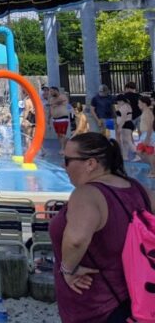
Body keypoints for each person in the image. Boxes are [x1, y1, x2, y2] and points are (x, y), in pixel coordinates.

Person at [52, 132, 151, 323]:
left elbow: (76, 240)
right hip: (134, 302)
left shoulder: (87, 194)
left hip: (96, 306)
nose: (64, 166)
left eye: (67, 160)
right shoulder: (138, 189)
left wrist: (67, 269)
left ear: (90, 163)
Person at [114, 93, 138, 162]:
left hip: (126, 124)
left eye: (119, 101)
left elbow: (123, 118)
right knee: (125, 142)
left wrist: (119, 127)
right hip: (125, 124)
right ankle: (125, 156)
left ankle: (138, 154)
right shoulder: (125, 106)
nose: (118, 103)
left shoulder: (124, 106)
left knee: (128, 141)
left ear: (122, 100)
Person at [50, 87, 72, 154]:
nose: (50, 93)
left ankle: (63, 148)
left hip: (63, 118)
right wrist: (48, 118)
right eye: (50, 92)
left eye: (52, 91)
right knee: (58, 134)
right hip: (55, 119)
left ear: (56, 91)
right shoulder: (51, 99)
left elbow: (61, 101)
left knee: (62, 134)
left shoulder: (62, 96)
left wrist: (55, 103)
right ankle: (63, 146)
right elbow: (51, 107)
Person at [135, 95, 154, 171]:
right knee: (140, 152)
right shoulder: (145, 112)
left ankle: (153, 170)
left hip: (148, 135)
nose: (138, 105)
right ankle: (152, 168)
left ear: (144, 104)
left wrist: (147, 138)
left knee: (149, 153)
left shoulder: (148, 113)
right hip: (145, 135)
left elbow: (150, 126)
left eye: (139, 103)